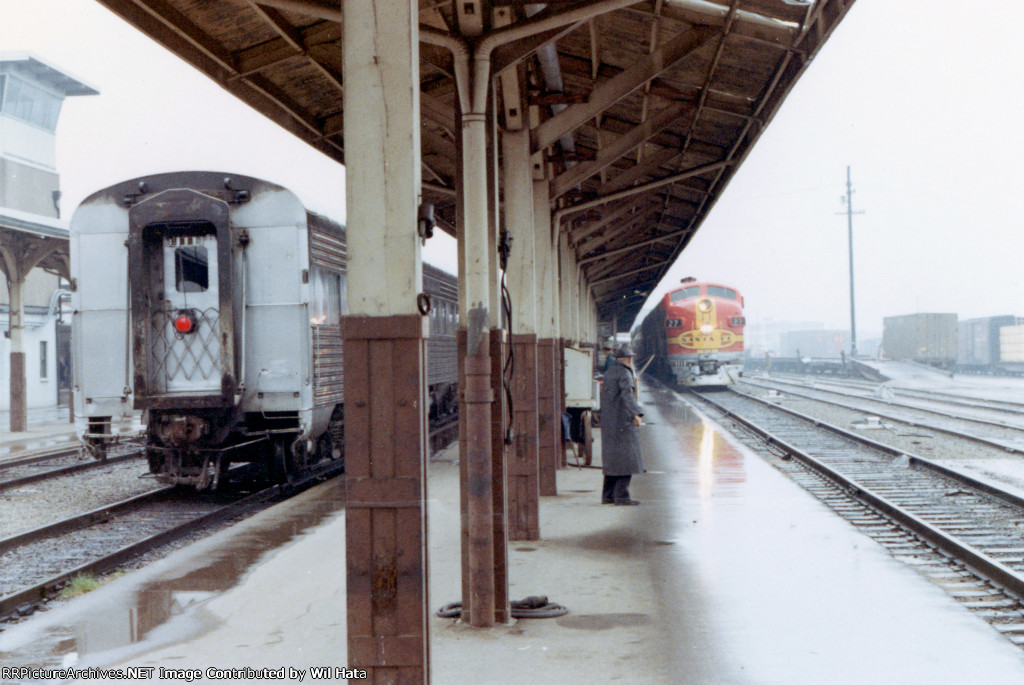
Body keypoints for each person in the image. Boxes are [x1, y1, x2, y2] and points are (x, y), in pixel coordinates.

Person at [599, 343, 644, 505]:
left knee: (612, 459)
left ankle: (608, 495)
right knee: (626, 458)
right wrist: (636, 413)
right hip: (622, 421)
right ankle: (622, 497)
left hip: (609, 421)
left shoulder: (610, 372)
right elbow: (627, 396)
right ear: (629, 359)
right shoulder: (625, 374)